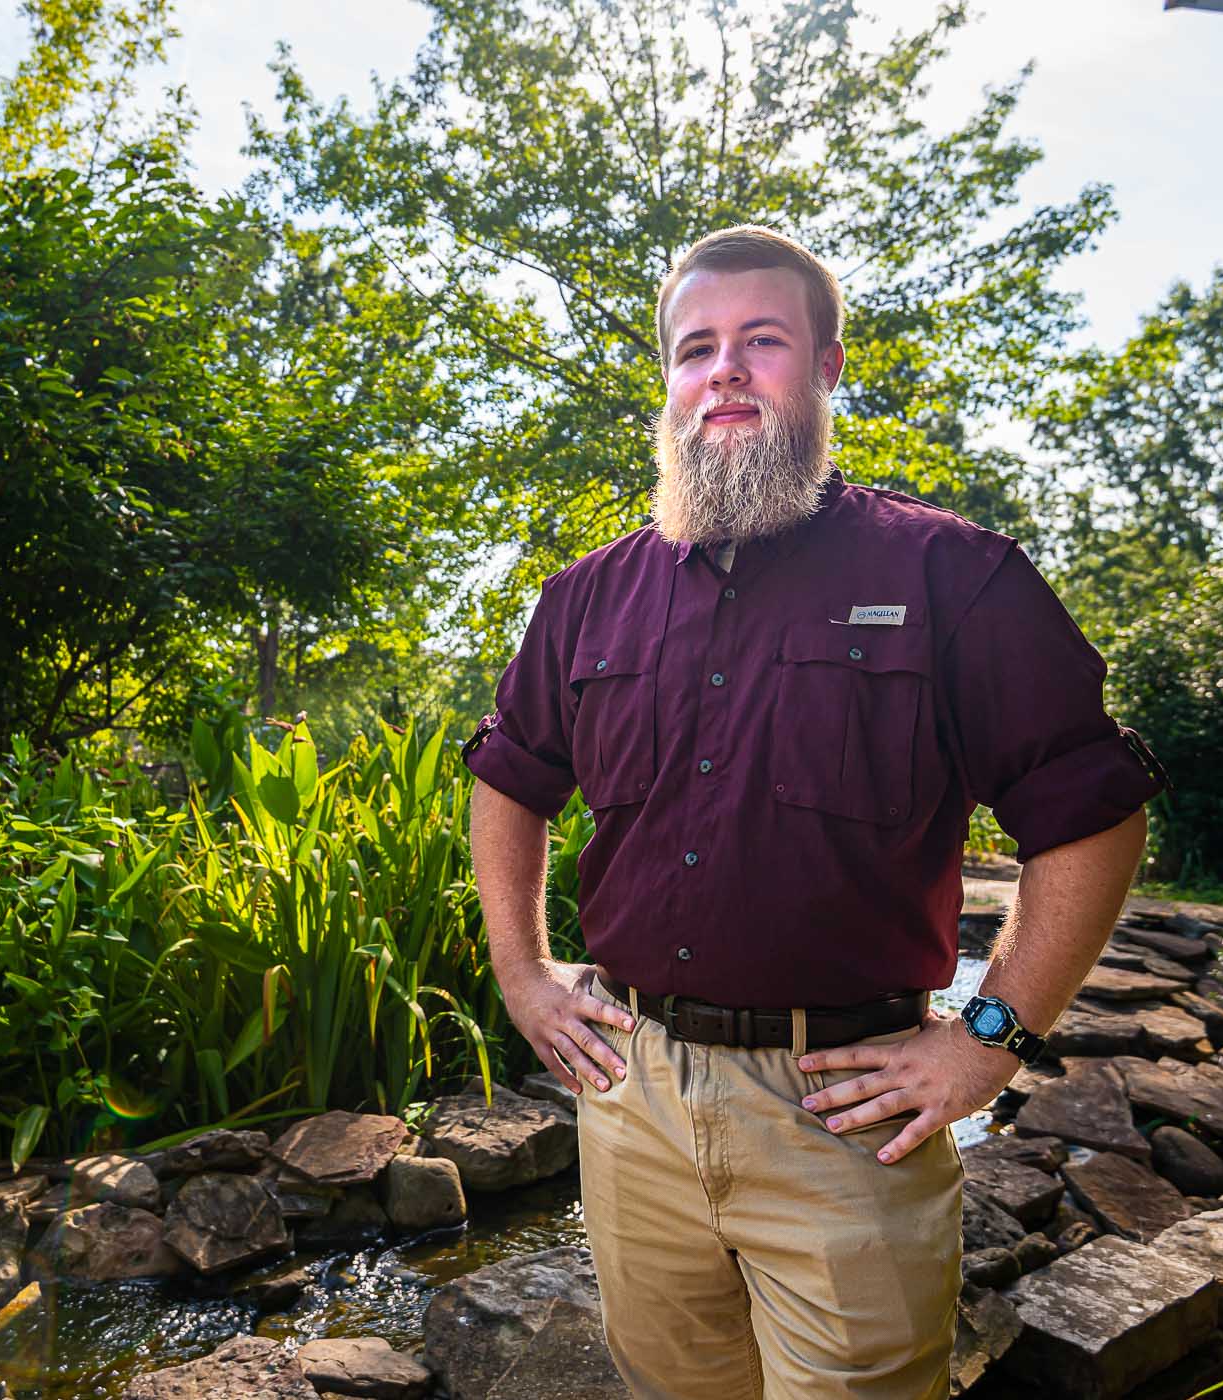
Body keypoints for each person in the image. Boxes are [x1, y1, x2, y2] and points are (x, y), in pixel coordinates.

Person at [458, 224, 1171, 1400]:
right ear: (671, 383)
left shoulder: (954, 575)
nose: (724, 369)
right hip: (629, 1097)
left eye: (762, 340)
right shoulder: (586, 596)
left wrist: (987, 1039)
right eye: (696, 348)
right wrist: (524, 974)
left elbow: (1090, 814)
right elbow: (509, 779)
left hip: (844, 1112)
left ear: (829, 366)